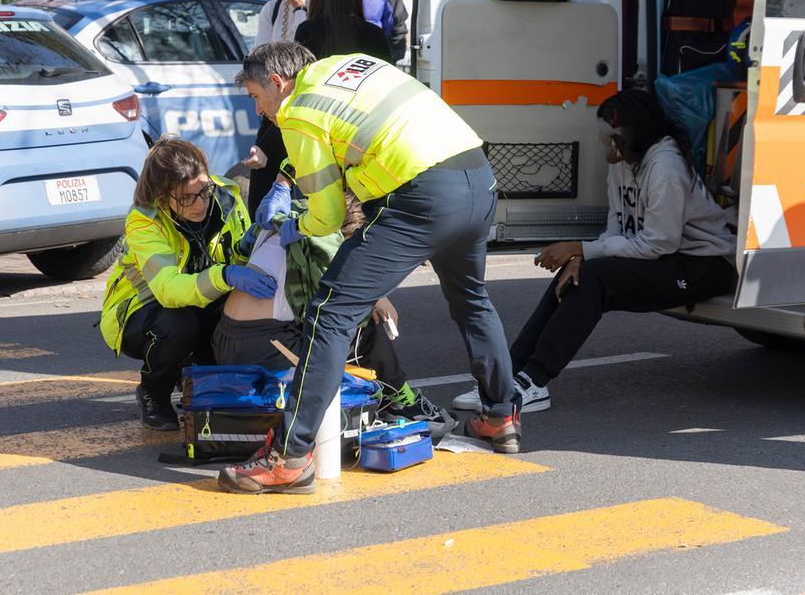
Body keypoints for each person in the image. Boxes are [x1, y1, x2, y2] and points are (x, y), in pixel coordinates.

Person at [219, 43, 521, 495]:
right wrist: (288, 173)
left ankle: (289, 456)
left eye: (254, 96)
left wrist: (293, 223)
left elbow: (323, 215)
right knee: (472, 301)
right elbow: (347, 134)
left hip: (420, 198)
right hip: (478, 179)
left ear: (277, 84)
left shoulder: (298, 110)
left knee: (330, 312)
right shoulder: (352, 66)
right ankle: (501, 418)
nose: (260, 110)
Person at [487, 89, 735, 414]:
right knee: (574, 274)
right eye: (605, 134)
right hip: (667, 255)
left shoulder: (665, 165)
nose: (606, 142)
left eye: (612, 135)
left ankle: (534, 381)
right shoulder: (623, 162)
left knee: (593, 278)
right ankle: (507, 377)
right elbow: (619, 229)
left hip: (704, 263)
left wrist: (583, 249)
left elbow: (660, 242)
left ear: (635, 133)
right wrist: (582, 255)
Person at [211, 193, 455, 437]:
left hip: (230, 341)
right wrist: (376, 299)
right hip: (267, 349)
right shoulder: (322, 244)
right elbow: (338, 314)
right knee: (363, 328)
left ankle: (388, 395)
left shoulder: (288, 220)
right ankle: (402, 401)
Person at [100, 137, 277, 431]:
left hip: (205, 297)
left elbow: (239, 257)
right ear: (162, 195)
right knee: (179, 327)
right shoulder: (145, 220)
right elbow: (169, 290)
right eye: (186, 198)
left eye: (204, 191)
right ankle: (153, 393)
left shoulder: (226, 195)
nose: (200, 203)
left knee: (239, 319)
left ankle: (198, 380)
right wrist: (226, 275)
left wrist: (255, 240)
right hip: (144, 310)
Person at [245, 0, 322, 215]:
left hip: (308, 120)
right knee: (260, 202)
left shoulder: (321, 12)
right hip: (275, 114)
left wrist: (304, 8)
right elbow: (258, 64)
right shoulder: (273, 10)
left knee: (303, 203)